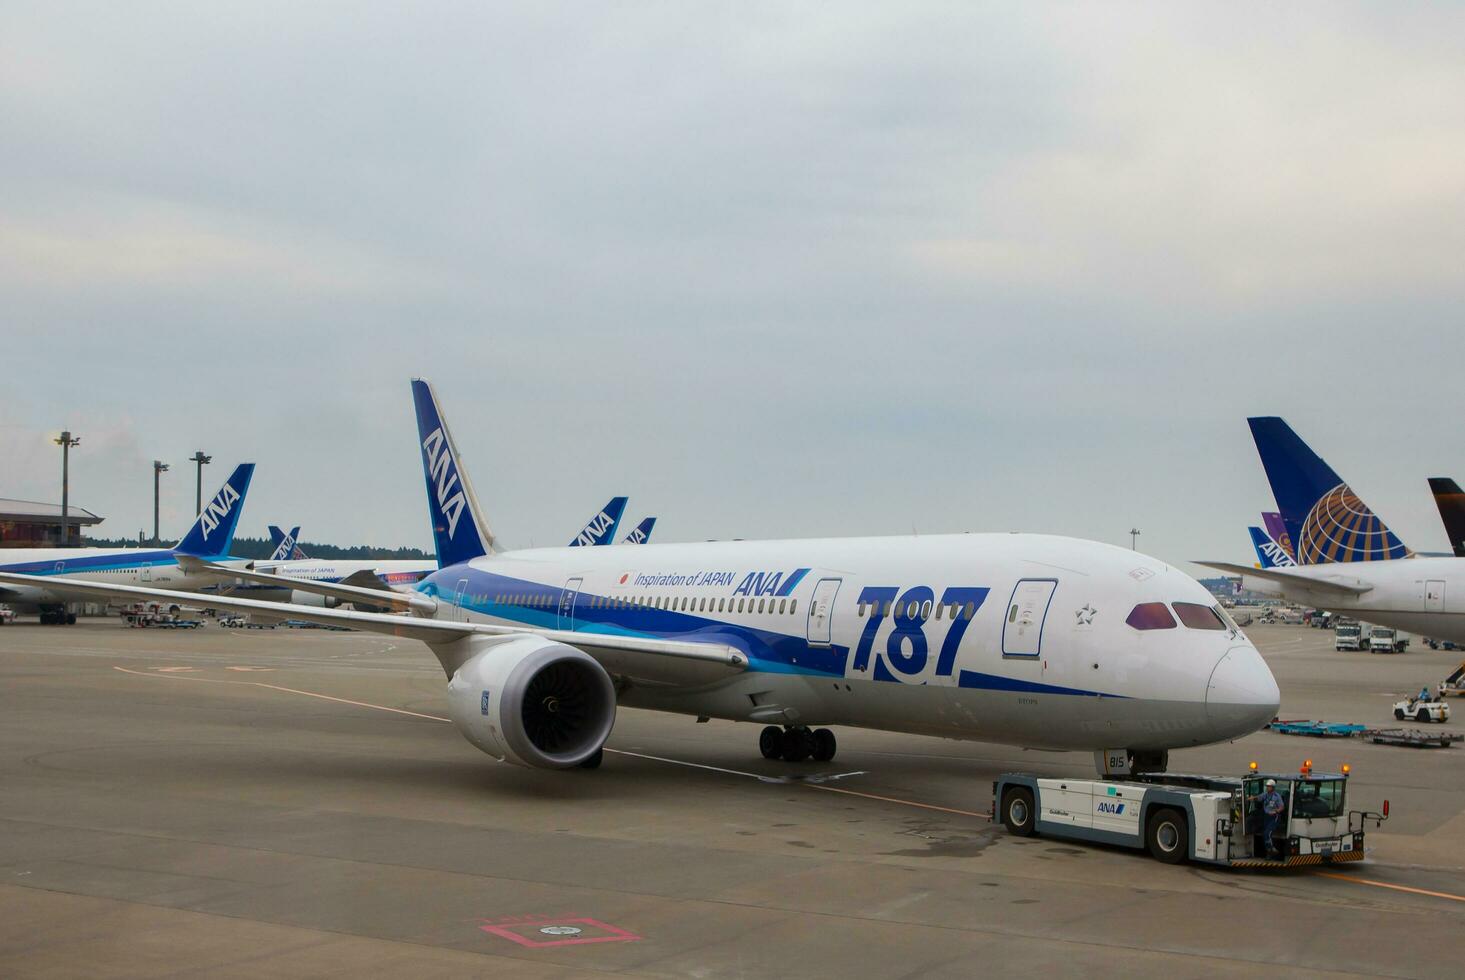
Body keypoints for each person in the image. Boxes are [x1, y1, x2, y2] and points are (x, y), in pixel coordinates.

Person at [1256, 778, 1285, 859]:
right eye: (1267, 786)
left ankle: (1272, 849)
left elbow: (1282, 807)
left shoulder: (1277, 796)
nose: (1267, 788)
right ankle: (1269, 851)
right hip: (1266, 817)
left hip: (1274, 817)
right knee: (1265, 834)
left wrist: (1276, 811)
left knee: (1267, 833)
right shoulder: (1265, 795)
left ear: (1273, 787)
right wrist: (1251, 798)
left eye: (1269, 786)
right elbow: (1258, 798)